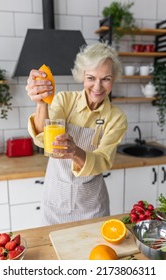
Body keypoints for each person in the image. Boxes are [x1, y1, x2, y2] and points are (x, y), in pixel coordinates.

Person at [26, 42, 127, 225]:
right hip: (55, 203)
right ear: (82, 76)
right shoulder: (65, 100)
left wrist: (76, 152)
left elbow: (103, 160)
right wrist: (41, 103)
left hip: (92, 207)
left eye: (106, 78)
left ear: (114, 80)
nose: (97, 87)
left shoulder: (116, 118)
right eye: (91, 77)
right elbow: (43, 139)